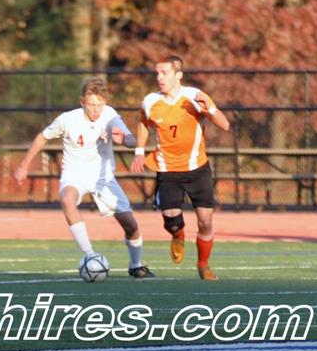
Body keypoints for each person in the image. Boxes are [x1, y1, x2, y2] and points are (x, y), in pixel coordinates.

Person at [14, 77, 155, 279]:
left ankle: (136, 265)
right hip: (75, 174)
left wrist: (124, 140)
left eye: (100, 104)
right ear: (82, 103)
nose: (96, 110)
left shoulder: (110, 115)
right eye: (91, 105)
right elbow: (42, 137)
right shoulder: (67, 120)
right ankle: (90, 255)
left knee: (131, 225)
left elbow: (132, 140)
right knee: (67, 199)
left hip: (104, 178)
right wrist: (23, 165)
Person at [131, 55, 230, 280]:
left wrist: (209, 110)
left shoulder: (194, 96)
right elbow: (143, 124)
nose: (159, 77)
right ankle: (178, 235)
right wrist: (139, 150)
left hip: (197, 168)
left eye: (164, 73)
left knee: (205, 221)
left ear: (178, 75)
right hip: (167, 170)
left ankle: (203, 265)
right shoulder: (150, 101)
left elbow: (224, 125)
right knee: (172, 221)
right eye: (157, 73)